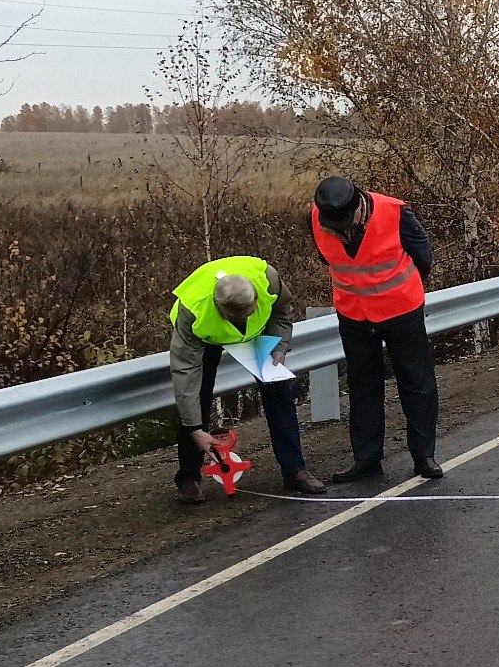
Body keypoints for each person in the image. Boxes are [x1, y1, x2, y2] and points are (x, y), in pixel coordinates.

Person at [311, 176, 443, 481]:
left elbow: (422, 253)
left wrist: (408, 286)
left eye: (346, 221)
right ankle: (367, 459)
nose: (342, 229)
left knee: (416, 383)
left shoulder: (395, 213)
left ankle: (424, 456)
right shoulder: (317, 216)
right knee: (363, 387)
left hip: (401, 310)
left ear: (359, 204)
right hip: (353, 313)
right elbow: (326, 256)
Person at [169, 255, 327, 503]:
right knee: (196, 399)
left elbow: (281, 310)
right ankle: (188, 479)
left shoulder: (267, 279)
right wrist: (194, 428)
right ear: (220, 307)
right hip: (206, 337)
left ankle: (294, 471)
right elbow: (185, 373)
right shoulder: (192, 310)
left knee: (279, 394)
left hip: (258, 332)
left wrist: (280, 345)